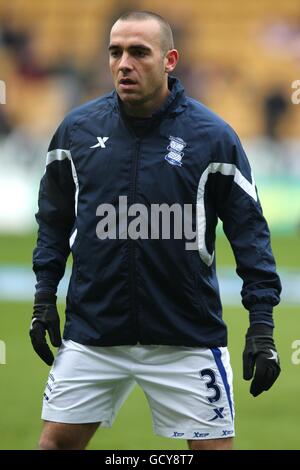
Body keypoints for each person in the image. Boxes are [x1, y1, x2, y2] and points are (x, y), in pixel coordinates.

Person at [30, 11, 282, 451]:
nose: (124, 63)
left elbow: (251, 236)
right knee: (54, 445)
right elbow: (53, 222)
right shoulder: (76, 132)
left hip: (186, 338)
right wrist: (42, 297)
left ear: (169, 60)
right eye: (115, 52)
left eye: (138, 52)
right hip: (94, 334)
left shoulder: (213, 138)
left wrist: (262, 326)